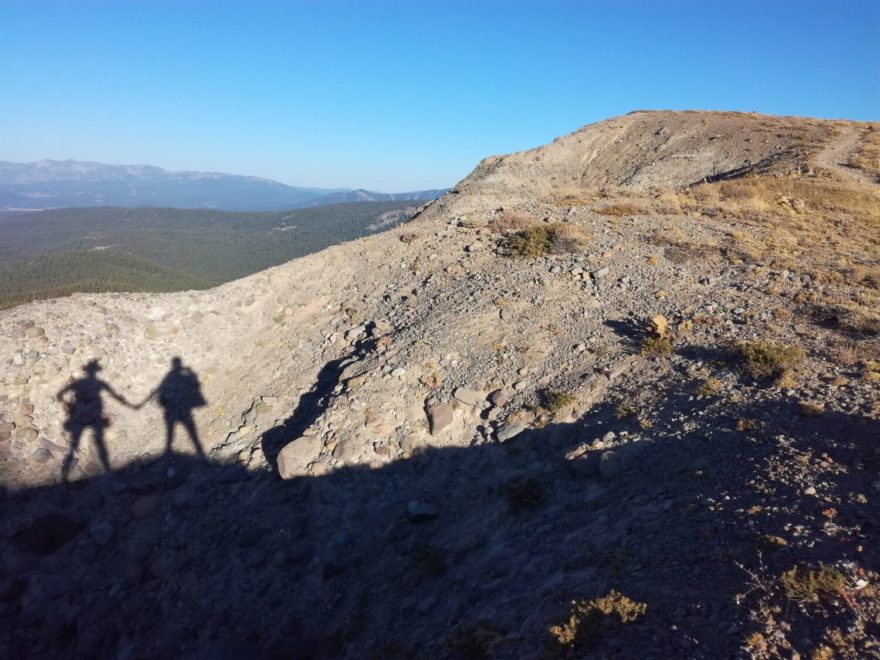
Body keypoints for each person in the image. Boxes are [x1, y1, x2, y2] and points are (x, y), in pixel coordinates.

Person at [57, 359, 129, 479]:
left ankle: (66, 469)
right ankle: (106, 468)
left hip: (79, 414)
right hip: (95, 413)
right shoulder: (99, 383)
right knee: (99, 442)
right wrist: (122, 401)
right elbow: (113, 394)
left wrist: (66, 403)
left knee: (73, 443)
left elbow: (60, 394)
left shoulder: (79, 382)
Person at [141, 357, 207, 457]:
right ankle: (199, 450)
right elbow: (194, 384)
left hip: (173, 408)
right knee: (191, 430)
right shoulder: (182, 375)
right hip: (184, 407)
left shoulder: (171, 375)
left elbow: (161, 388)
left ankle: (169, 450)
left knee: (171, 430)